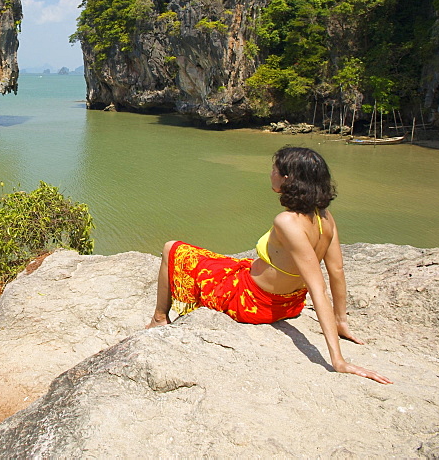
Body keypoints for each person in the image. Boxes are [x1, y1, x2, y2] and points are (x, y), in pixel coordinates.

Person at [147, 146, 392, 384]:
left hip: (252, 303)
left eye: (274, 170)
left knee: (172, 248)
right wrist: (341, 321)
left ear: (288, 179)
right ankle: (165, 315)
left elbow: (318, 289)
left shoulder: (287, 222)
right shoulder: (325, 217)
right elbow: (336, 271)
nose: (270, 174)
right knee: (230, 263)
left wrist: (338, 361)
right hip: (290, 303)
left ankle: (160, 318)